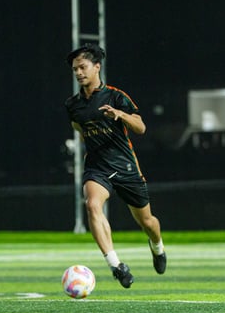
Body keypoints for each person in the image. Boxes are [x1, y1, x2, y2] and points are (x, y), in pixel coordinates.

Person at [64, 43, 166, 289]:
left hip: (126, 167)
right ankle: (116, 265)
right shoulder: (72, 105)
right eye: (75, 69)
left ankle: (157, 247)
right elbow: (79, 130)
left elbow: (141, 128)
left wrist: (120, 115)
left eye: (83, 67)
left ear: (96, 67)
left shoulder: (116, 96)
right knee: (91, 204)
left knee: (148, 222)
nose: (78, 73)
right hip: (97, 168)